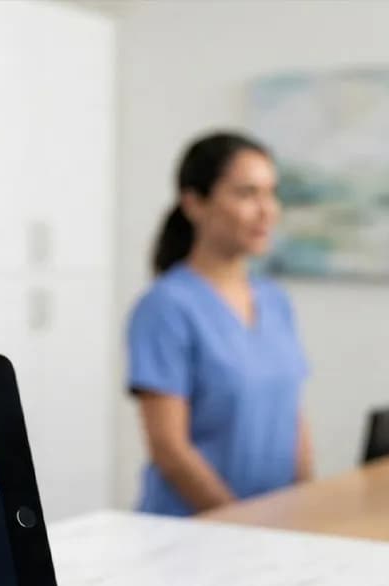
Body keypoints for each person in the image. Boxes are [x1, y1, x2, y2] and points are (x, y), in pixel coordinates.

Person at [126, 131, 312, 516]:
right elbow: (170, 450)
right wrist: (237, 522)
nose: (267, 210)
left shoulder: (275, 301)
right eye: (246, 194)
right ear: (194, 204)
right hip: (194, 532)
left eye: (270, 193)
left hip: (275, 529)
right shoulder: (165, 307)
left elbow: (293, 415)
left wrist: (307, 506)